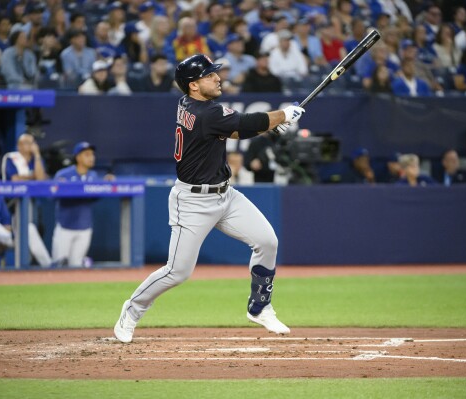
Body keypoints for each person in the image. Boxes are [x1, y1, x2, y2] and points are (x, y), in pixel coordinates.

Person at [113, 54, 305, 343]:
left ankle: (260, 307)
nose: (218, 78)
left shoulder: (194, 105)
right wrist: (283, 115)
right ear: (193, 85)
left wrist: (268, 125)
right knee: (177, 272)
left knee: (267, 242)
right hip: (192, 203)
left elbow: (237, 129)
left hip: (226, 195)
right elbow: (247, 121)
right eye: (209, 75)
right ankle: (132, 310)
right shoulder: (206, 113)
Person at [51, 142, 113, 267]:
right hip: (65, 227)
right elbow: (51, 196)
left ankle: (84, 263)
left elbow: (96, 197)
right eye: (87, 154)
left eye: (92, 154)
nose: (91, 158)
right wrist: (60, 188)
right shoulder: (63, 174)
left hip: (85, 227)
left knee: (77, 266)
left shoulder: (93, 176)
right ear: (78, 157)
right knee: (59, 265)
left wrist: (105, 184)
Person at [1, 133, 52, 267]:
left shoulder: (36, 160)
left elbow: (40, 179)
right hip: (14, 205)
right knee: (25, 233)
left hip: (34, 204)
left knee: (29, 235)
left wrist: (38, 156)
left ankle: (28, 270)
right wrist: (32, 177)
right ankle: (47, 265)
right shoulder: (12, 158)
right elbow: (15, 180)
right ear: (19, 145)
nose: (29, 146)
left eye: (31, 142)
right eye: (25, 143)